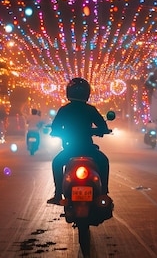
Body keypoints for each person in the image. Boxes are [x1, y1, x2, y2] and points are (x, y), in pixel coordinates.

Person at [47, 77, 111, 205]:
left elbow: (55, 128)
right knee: (104, 161)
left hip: (71, 149)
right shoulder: (90, 109)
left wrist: (59, 133)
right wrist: (98, 131)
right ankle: (104, 193)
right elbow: (103, 127)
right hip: (88, 148)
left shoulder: (65, 110)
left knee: (56, 163)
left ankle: (58, 193)